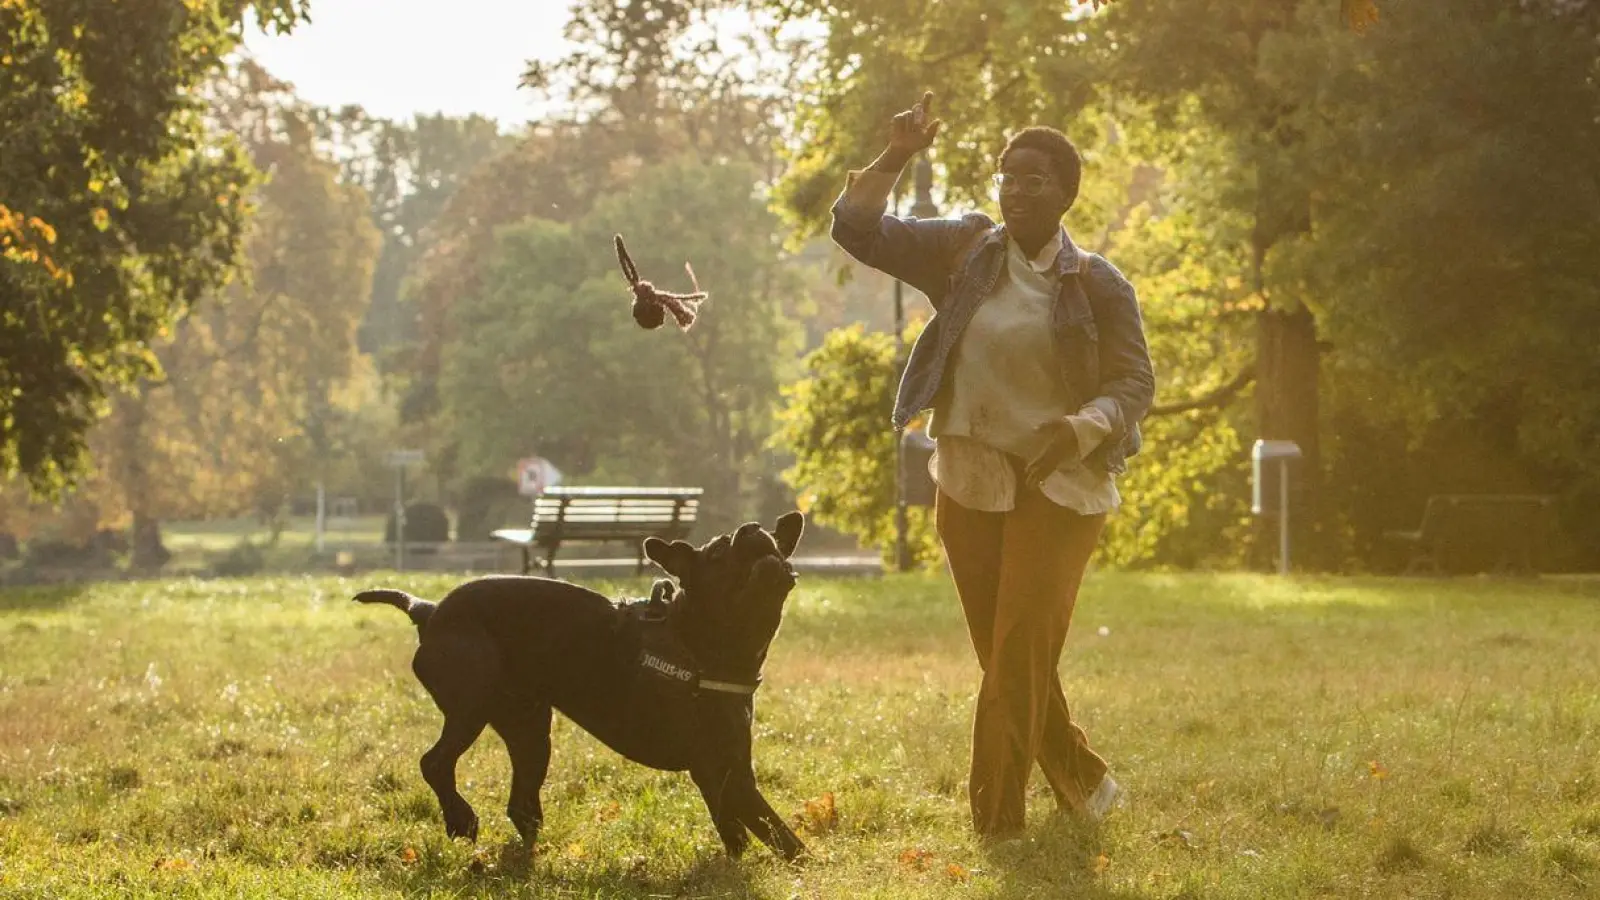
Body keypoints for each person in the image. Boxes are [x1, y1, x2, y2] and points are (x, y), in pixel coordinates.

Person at [829, 92, 1155, 837]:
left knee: (1016, 655)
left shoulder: (1099, 282)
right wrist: (897, 153)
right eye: (1008, 176)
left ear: (1067, 194)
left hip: (1060, 483)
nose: (1015, 189)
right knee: (1009, 657)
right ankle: (1086, 782)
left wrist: (1080, 429)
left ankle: (998, 828)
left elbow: (1136, 383)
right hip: (970, 476)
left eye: (1034, 179)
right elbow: (857, 230)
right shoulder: (966, 249)